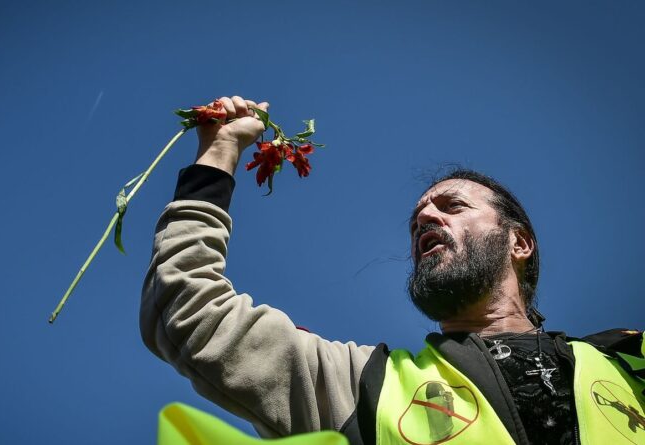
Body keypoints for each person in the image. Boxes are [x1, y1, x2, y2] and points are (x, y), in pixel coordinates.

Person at [140, 96, 645, 445]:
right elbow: (191, 311)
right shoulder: (359, 385)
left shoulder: (629, 364)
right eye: (420, 217)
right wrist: (219, 153)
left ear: (519, 242)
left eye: (453, 206)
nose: (426, 216)